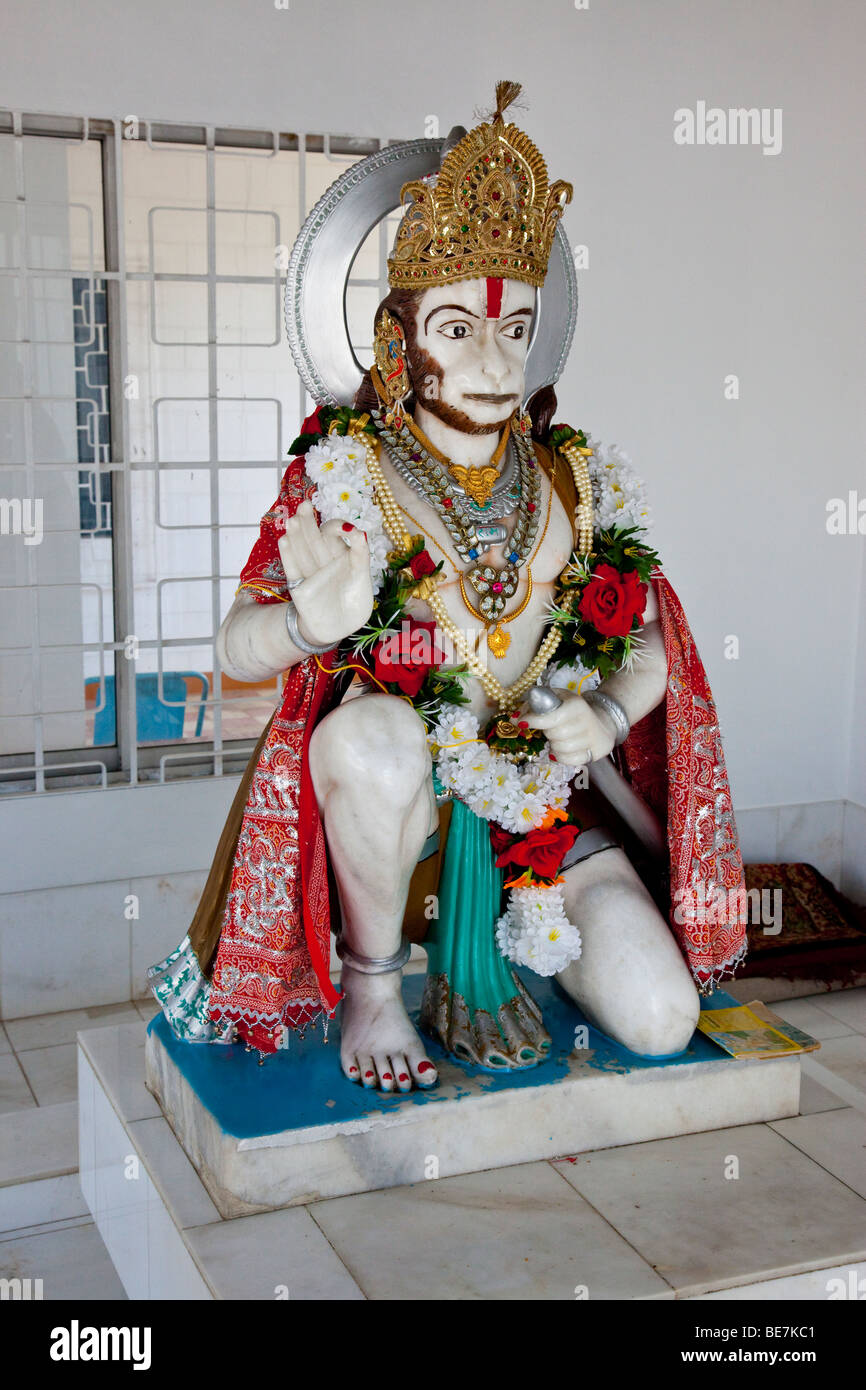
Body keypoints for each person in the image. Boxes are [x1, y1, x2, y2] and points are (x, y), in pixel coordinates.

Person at [149, 83, 746, 1094]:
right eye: (459, 328)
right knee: (370, 738)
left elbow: (650, 641)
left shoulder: (567, 477)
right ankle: (375, 980)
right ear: (400, 342)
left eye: (513, 331)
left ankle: (517, 940)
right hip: (396, 812)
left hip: (542, 806)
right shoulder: (348, 477)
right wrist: (307, 622)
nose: (492, 359)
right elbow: (233, 644)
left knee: (657, 1018)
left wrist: (600, 709)